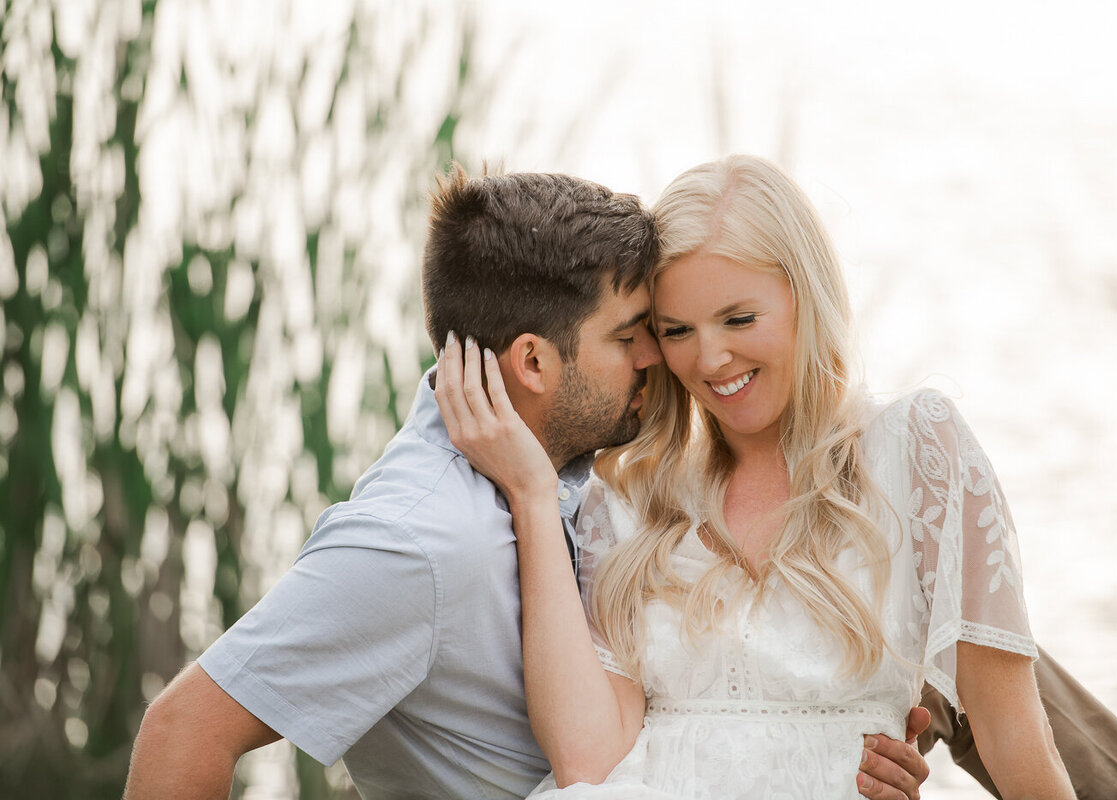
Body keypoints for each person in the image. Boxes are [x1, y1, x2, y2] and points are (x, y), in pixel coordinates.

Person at [122, 167, 930, 800]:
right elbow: (182, 730)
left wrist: (855, 725)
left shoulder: (568, 461)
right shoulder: (423, 540)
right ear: (535, 362)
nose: (662, 357)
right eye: (632, 335)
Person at [433, 156, 1117, 799]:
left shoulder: (917, 451)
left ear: (805, 296)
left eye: (739, 319)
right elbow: (587, 759)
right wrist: (534, 498)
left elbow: (1009, 733)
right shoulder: (629, 498)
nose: (709, 360)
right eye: (676, 331)